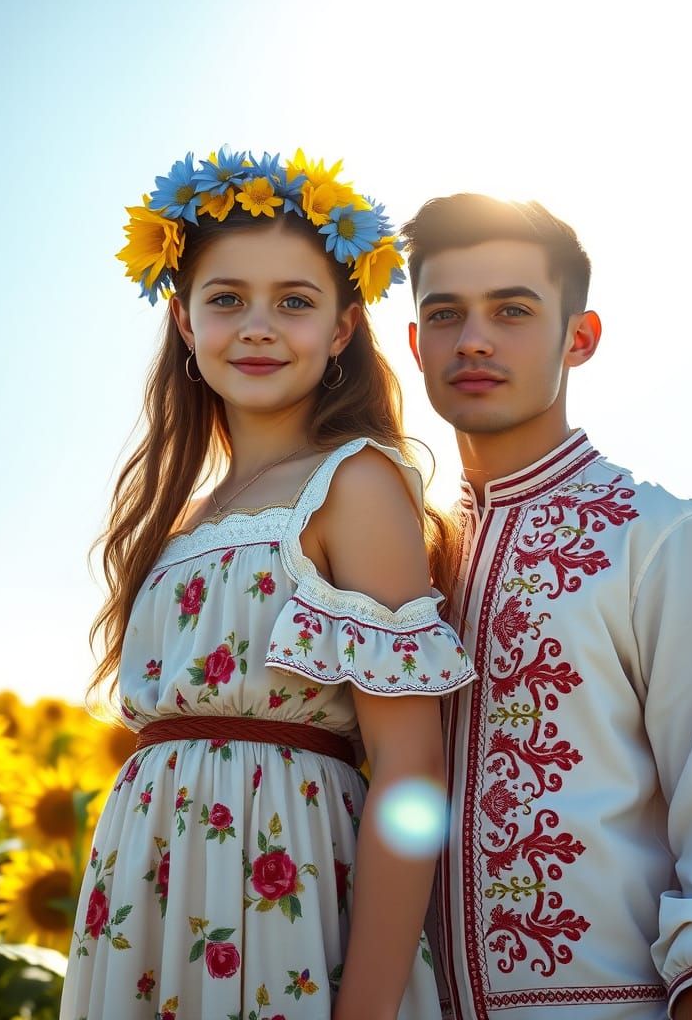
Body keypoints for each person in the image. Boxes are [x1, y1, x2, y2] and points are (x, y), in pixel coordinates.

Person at [59, 148, 476, 1020]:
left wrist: (364, 1008)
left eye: (294, 301)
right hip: (146, 896)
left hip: (278, 892)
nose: (257, 325)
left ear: (342, 329)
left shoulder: (354, 483)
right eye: (226, 299)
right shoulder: (179, 519)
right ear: (182, 323)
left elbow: (410, 765)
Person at [401, 194, 692, 1020]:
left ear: (579, 338)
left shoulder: (663, 539)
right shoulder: (399, 558)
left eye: (512, 310)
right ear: (415, 344)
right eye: (446, 314)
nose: (475, 339)